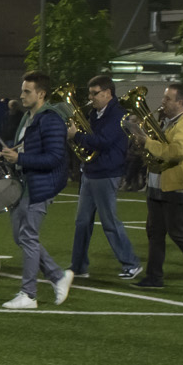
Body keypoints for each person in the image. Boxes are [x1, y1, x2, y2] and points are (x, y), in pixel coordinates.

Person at [0, 71, 74, 310]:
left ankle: (29, 294)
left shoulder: (50, 119)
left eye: (27, 91)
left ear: (41, 94)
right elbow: (27, 147)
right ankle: (57, 276)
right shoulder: (28, 117)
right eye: (22, 90)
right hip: (24, 184)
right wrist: (13, 154)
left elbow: (54, 157)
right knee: (20, 236)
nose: (21, 95)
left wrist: (20, 158)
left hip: (40, 185)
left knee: (28, 236)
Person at [131, 82, 183, 290]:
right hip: (158, 183)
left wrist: (147, 142)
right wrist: (141, 138)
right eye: (164, 98)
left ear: (180, 102)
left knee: (178, 232)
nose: (163, 102)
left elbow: (175, 152)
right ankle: (154, 276)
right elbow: (160, 148)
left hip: (177, 185)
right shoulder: (168, 122)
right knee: (155, 232)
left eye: (168, 99)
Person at [68, 73, 141, 280]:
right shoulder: (95, 113)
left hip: (107, 172)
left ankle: (131, 263)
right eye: (90, 93)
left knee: (109, 222)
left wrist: (76, 135)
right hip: (91, 171)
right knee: (82, 222)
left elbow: (103, 141)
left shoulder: (118, 115)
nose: (90, 98)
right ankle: (78, 266)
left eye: (95, 93)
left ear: (108, 93)